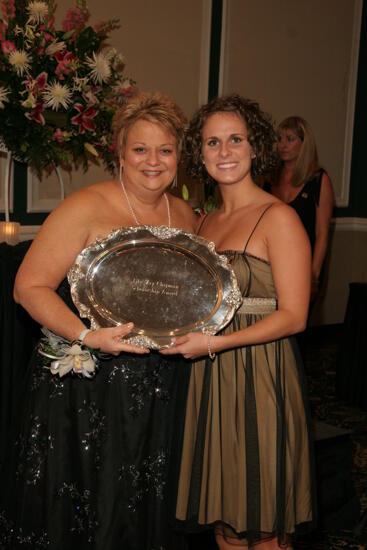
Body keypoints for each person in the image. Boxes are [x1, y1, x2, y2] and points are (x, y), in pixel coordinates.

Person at [0, 91, 196, 549]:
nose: (153, 161)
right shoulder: (85, 207)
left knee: (145, 500)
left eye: (165, 150)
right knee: (93, 499)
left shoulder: (184, 215)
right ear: (120, 152)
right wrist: (87, 336)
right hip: (91, 383)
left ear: (179, 156)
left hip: (162, 380)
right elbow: (27, 286)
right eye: (140, 149)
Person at [162, 94, 316, 549]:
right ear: (199, 152)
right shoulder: (204, 221)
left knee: (265, 519)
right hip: (209, 381)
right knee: (224, 519)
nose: (224, 151)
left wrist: (213, 345)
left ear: (256, 148)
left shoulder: (279, 218)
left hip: (261, 374)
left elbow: (294, 317)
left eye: (235, 140)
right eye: (212, 142)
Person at [263, 116, 334, 299]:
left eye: (290, 139)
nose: (283, 145)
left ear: (304, 144)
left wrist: (313, 275)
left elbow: (322, 233)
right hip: (270, 268)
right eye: (279, 139)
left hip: (304, 268)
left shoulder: (318, 179)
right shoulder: (270, 179)